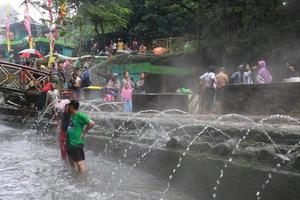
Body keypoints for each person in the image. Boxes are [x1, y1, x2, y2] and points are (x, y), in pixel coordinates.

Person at [66, 100, 95, 173]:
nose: (67, 108)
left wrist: (84, 132)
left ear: (72, 106)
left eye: (68, 106)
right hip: (70, 143)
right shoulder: (72, 116)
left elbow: (91, 123)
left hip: (77, 143)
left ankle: (83, 180)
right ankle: (75, 177)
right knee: (71, 160)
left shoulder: (80, 115)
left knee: (80, 163)